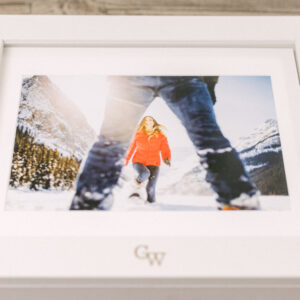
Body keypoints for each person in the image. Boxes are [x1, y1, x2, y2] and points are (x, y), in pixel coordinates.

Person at [70, 76, 260, 211]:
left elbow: (163, 147)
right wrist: (208, 83)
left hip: (132, 72)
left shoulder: (159, 135)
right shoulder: (141, 134)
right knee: (208, 137)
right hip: (181, 71)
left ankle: (90, 200)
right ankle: (237, 197)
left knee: (110, 142)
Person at [124, 115, 171, 203]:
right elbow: (131, 148)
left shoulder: (161, 136)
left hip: (154, 164)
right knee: (145, 173)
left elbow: (165, 148)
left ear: (154, 122)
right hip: (138, 162)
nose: (148, 122)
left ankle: (151, 205)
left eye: (150, 120)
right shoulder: (138, 135)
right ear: (143, 124)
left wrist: (166, 158)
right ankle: (135, 184)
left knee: (151, 188)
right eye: (146, 121)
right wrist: (126, 160)